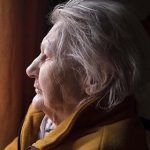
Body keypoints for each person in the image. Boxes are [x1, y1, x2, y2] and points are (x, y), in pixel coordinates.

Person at [5, 0, 149, 149]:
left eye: (47, 56)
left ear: (95, 78)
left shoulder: (106, 145)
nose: (30, 70)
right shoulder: (45, 116)